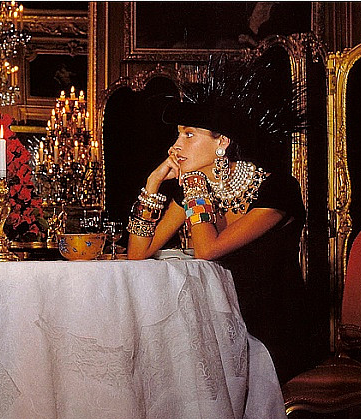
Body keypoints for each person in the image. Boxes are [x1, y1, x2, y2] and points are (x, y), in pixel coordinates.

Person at [126, 56, 312, 383]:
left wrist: (195, 188)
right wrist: (152, 185)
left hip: (272, 333)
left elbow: (207, 250)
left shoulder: (277, 189)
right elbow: (138, 255)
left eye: (189, 135)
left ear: (222, 142)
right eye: (177, 135)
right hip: (221, 324)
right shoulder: (195, 192)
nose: (175, 147)